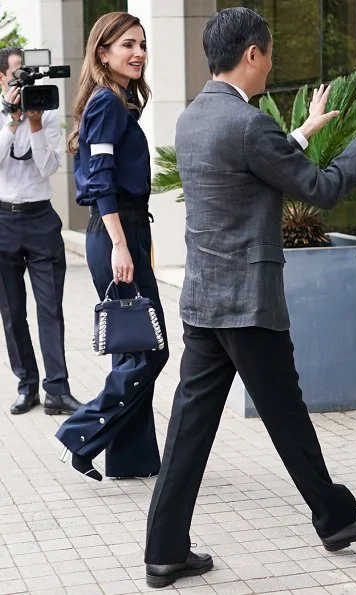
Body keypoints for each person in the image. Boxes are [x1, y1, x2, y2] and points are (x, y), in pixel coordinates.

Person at [143, 7, 356, 589]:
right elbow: (320, 188)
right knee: (288, 418)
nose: (272, 65)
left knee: (189, 431)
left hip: (205, 301)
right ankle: (338, 517)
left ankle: (164, 550)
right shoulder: (247, 125)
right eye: (269, 54)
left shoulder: (194, 117)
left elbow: (246, 166)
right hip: (247, 301)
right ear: (251, 54)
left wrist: (304, 130)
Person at [55, 12, 169, 482]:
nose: (138, 52)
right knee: (150, 351)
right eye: (127, 44)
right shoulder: (106, 103)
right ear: (103, 52)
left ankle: (133, 459)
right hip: (116, 233)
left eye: (141, 44)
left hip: (127, 230)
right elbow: (100, 181)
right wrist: (122, 245)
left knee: (133, 349)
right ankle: (79, 434)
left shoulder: (117, 104)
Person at [0, 47, 82, 417]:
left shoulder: (45, 110)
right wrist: (11, 121)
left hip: (40, 219)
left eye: (28, 74)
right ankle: (26, 385)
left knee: (51, 309)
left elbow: (48, 166)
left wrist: (33, 124)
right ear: (2, 79)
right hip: (3, 221)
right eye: (17, 75)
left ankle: (57, 390)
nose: (25, 82)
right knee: (12, 311)